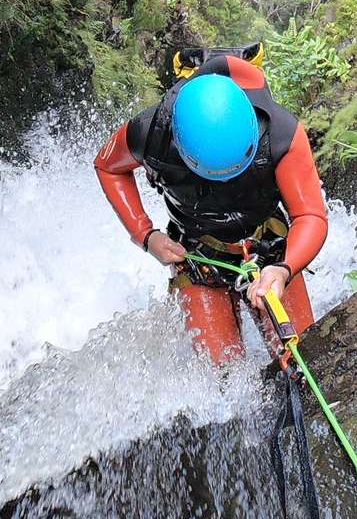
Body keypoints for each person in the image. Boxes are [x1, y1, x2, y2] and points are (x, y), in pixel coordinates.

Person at [94, 52, 328, 363]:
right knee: (223, 379)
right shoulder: (150, 132)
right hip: (196, 251)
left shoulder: (281, 133)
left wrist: (283, 269)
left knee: (301, 359)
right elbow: (109, 167)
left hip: (269, 243)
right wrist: (146, 236)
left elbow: (310, 214)